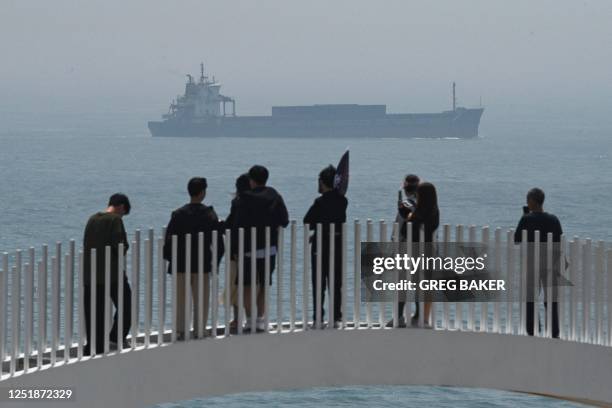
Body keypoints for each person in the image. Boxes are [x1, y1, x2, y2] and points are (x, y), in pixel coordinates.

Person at [163, 177, 225, 340]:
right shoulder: (209, 214)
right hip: (202, 264)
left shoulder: (178, 214)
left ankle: (180, 331)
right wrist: (215, 262)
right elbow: (218, 242)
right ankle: (199, 330)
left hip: (181, 264)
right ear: (203, 192)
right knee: (202, 300)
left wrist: (171, 259)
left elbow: (169, 241)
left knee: (180, 300)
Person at [234, 165, 289, 332]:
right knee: (264, 284)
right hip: (269, 248)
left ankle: (250, 319)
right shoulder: (274, 195)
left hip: (248, 249)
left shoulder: (244, 198)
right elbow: (284, 220)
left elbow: (236, 223)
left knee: (247, 284)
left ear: (251, 180)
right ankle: (260, 319)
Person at [83, 193, 132, 355]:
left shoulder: (92, 219)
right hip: (112, 274)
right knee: (125, 304)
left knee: (94, 312)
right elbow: (120, 246)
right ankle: (116, 337)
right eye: (123, 213)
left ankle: (93, 345)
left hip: (91, 274)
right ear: (122, 207)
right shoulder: (115, 220)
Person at [304, 165, 348, 328]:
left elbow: (307, 220)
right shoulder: (343, 200)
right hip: (337, 244)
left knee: (319, 283)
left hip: (321, 245)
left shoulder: (320, 201)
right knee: (336, 283)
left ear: (322, 182)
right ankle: (336, 316)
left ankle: (318, 318)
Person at [514, 188, 562, 338]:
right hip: (551, 263)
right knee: (551, 299)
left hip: (532, 263)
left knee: (531, 298)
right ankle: (554, 331)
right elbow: (558, 239)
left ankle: (533, 329)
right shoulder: (554, 219)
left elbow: (517, 239)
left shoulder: (526, 219)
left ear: (532, 202)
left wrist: (525, 215)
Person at [393, 182, 440, 328]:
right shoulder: (434, 212)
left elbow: (406, 230)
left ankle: (401, 316)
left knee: (405, 283)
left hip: (414, 252)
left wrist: (404, 213)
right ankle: (423, 318)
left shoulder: (417, 214)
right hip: (430, 252)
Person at [223, 173, 250, 333]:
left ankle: (237, 318)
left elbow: (231, 224)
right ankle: (252, 317)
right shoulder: (258, 202)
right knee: (251, 285)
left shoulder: (237, 202)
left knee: (235, 284)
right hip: (252, 249)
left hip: (236, 249)